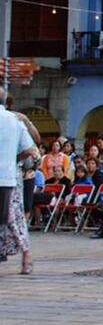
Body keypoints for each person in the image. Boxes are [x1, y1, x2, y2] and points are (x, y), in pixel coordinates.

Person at [1, 88, 39, 274]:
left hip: (9, 175)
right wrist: (15, 158)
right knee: (13, 217)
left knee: (10, 217)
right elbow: (31, 147)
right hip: (9, 176)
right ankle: (26, 255)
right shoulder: (15, 120)